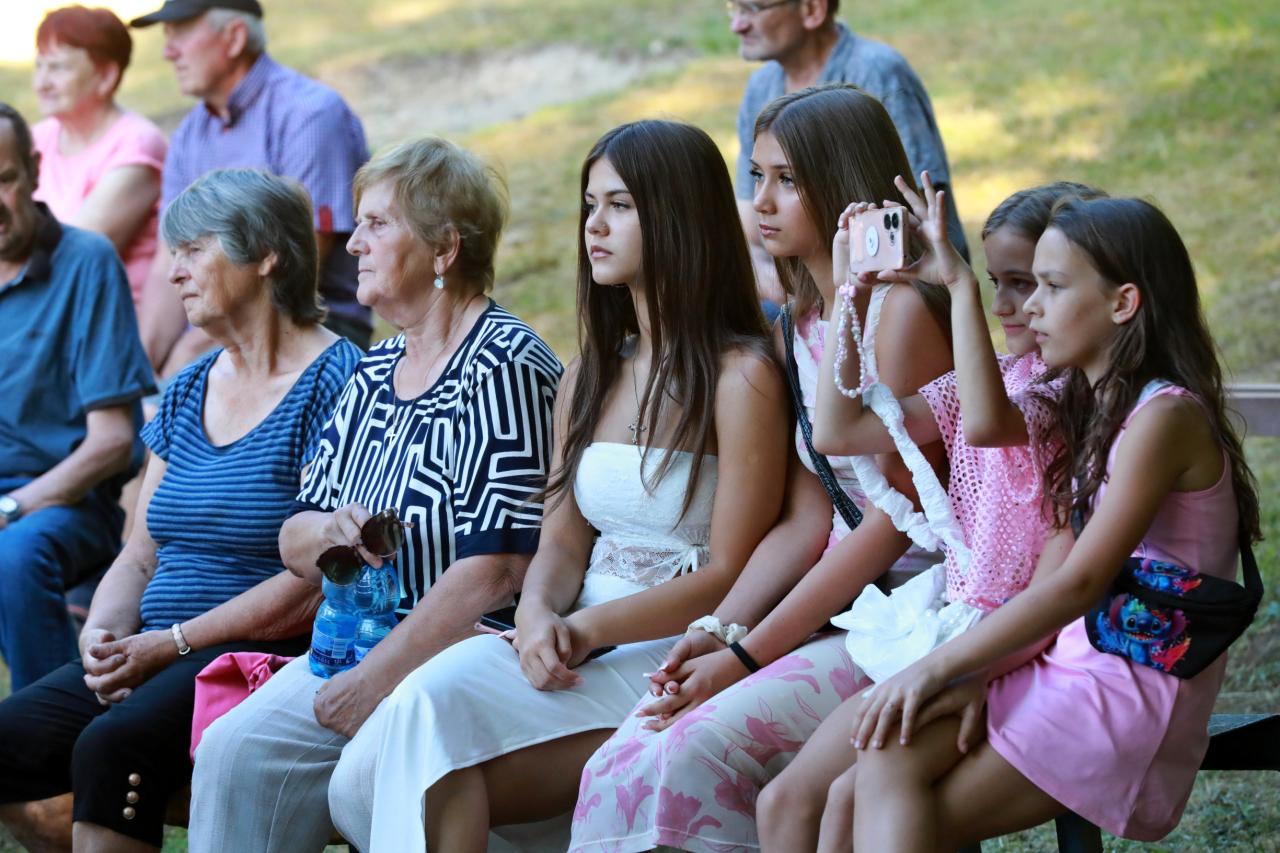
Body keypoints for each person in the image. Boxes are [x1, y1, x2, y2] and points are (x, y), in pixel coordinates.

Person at [321, 118, 789, 853]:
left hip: (670, 649)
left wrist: (583, 631)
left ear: (678, 216)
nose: (593, 226)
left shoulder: (743, 376)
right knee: (413, 722)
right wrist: (539, 611)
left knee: (425, 760)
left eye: (620, 206)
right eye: (589, 206)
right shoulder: (590, 373)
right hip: (567, 634)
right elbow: (562, 540)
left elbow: (729, 571)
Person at [568, 84, 952, 853]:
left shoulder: (902, 311)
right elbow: (808, 517)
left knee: (693, 745)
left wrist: (751, 651)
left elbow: (895, 524)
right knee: (635, 747)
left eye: (787, 179)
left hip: (914, 615)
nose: (761, 203)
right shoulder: (798, 325)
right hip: (835, 609)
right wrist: (719, 629)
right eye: (756, 177)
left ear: (844, 188)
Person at [843, 193, 1261, 851]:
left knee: (900, 806)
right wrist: (977, 671)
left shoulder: (1164, 419)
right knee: (885, 752)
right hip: (1071, 657)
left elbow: (1079, 583)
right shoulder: (1097, 407)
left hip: (1129, 683)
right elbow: (1057, 576)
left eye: (1053, 287)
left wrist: (936, 666)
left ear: (1123, 303)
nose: (1029, 306)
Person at [186, 136, 563, 853]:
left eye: (377, 224)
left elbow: (498, 570)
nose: (353, 243)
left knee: (365, 782)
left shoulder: (505, 365)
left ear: (444, 247)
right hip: (350, 645)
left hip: (459, 655)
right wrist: (328, 529)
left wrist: (375, 678)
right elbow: (293, 537)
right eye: (357, 224)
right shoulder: (375, 367)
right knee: (234, 751)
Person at [0, 167, 362, 853]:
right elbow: (139, 553)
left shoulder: (340, 381)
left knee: (112, 747)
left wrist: (170, 644)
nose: (173, 273)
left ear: (266, 255)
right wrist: (102, 635)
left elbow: (320, 580)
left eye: (194, 249)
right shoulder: (188, 387)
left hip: (259, 654)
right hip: (154, 647)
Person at [754, 179, 1106, 849]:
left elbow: (986, 424)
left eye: (1029, 284)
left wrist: (959, 286)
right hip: (954, 625)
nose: (1009, 305)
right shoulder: (999, 377)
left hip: (1011, 642)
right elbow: (839, 430)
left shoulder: (1075, 392)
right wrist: (850, 296)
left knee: (845, 802)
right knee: (785, 801)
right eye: (997, 282)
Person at [129, 0, 371, 374]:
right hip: (212, 337)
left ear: (234, 37)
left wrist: (183, 362)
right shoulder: (189, 135)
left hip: (309, 330)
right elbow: (167, 261)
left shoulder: (308, 114)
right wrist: (142, 377)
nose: (168, 52)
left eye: (180, 35)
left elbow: (297, 268)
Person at [0, 103, 153, 693]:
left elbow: (113, 441)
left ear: (34, 171)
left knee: (14, 555)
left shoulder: (85, 262)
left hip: (64, 505)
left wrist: (11, 507)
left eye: (4, 179)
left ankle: (49, 732)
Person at [730, 0, 967, 307]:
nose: (737, 25)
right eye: (733, 8)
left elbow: (910, 216)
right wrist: (794, 300)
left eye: (752, 8)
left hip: (878, 290)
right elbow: (750, 230)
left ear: (812, 9)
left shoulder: (877, 72)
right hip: (803, 294)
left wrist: (831, 299)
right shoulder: (760, 87)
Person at [31, 5, 167, 309]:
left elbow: (72, 256)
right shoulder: (38, 137)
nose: (41, 82)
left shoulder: (137, 144)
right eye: (39, 66)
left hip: (103, 317)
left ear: (106, 76)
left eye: (58, 68)